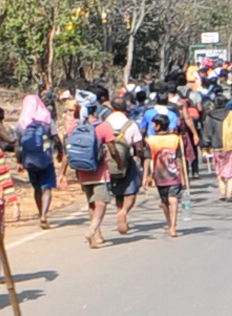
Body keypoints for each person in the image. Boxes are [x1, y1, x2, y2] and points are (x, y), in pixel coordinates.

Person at [71, 96, 118, 249]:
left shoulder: (74, 127)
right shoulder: (103, 127)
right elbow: (112, 149)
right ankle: (92, 230)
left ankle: (96, 237)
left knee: (91, 203)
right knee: (102, 202)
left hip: (82, 171)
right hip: (99, 171)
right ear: (95, 109)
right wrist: (119, 162)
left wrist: (63, 172)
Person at [15, 94, 60, 229]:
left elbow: (17, 145)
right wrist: (61, 152)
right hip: (46, 159)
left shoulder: (21, 123)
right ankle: (44, 216)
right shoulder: (47, 120)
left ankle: (41, 212)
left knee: (36, 189)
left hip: (29, 160)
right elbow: (56, 138)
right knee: (47, 188)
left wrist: (19, 161)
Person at [106, 95, 147, 234]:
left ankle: (120, 212)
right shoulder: (131, 124)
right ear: (125, 109)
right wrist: (141, 158)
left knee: (118, 192)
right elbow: (139, 146)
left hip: (109, 162)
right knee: (132, 190)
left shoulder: (105, 123)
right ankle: (123, 212)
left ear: (112, 108)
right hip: (127, 160)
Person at [147, 113, 183, 237]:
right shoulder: (175, 138)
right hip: (174, 175)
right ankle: (173, 226)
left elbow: (147, 159)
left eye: (153, 124)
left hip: (159, 176)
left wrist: (146, 176)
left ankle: (170, 224)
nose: (152, 126)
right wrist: (182, 176)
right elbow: (179, 159)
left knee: (166, 201)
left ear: (157, 126)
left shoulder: (151, 140)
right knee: (173, 199)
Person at [202, 95, 232, 200]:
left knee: (219, 171)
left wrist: (205, 146)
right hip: (230, 146)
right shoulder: (230, 115)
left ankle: (222, 193)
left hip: (216, 147)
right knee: (230, 172)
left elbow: (207, 133)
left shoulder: (210, 117)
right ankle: (229, 194)